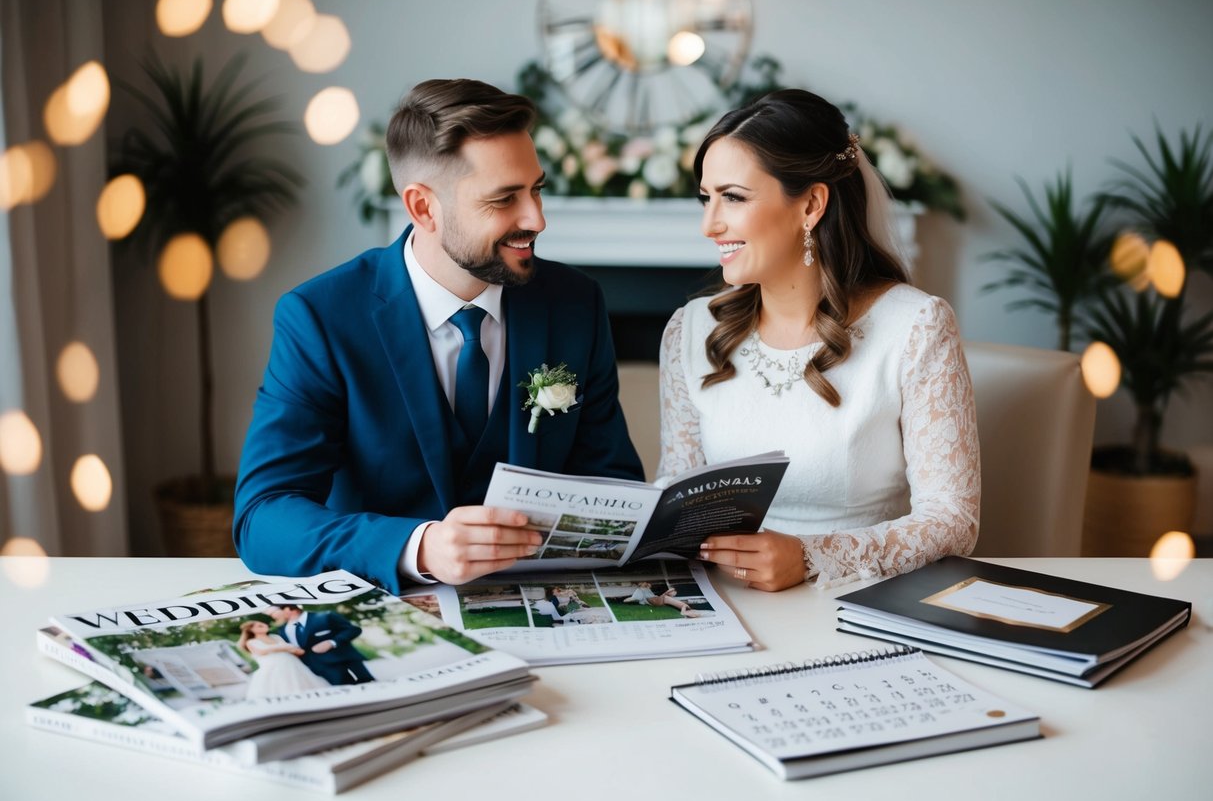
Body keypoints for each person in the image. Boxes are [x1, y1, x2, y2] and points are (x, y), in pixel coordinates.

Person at [234, 79, 643, 593]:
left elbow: (613, 484)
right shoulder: (320, 318)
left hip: (548, 602)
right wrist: (421, 547)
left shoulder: (575, 303)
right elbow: (263, 518)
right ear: (423, 208)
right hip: (389, 614)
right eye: (503, 199)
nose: (536, 218)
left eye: (536, 188)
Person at [660, 89, 979, 593]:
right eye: (706, 197)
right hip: (727, 602)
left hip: (867, 603)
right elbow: (676, 492)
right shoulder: (691, 330)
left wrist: (809, 557)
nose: (709, 224)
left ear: (810, 204)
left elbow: (953, 519)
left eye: (734, 197)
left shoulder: (916, 327)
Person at [267, 604, 373, 686]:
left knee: (370, 689)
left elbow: (353, 630)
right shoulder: (282, 630)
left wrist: (332, 642)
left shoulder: (325, 616)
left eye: (273, 613)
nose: (272, 617)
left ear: (287, 608)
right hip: (318, 668)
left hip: (345, 662)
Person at [237, 619, 331, 698]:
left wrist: (293, 650)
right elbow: (262, 651)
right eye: (259, 626)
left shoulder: (275, 637)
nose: (264, 625)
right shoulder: (251, 642)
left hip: (291, 663)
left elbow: (289, 648)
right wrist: (284, 647)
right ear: (251, 630)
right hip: (272, 668)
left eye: (263, 624)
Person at [622, 581, 701, 617]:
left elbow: (649, 585)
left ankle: (685, 609)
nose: (647, 584)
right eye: (643, 583)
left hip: (658, 599)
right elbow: (633, 598)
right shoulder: (639, 591)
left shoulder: (646, 589)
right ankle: (684, 611)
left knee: (674, 597)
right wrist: (625, 600)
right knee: (682, 604)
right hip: (657, 600)